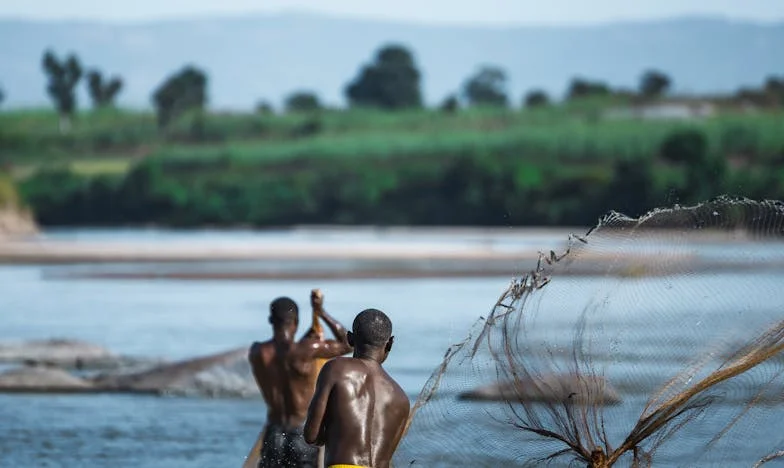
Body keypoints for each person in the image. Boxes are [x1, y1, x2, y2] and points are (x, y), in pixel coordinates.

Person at [249, 290, 352, 468]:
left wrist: (307, 339)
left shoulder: (257, 352)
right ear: (295, 322)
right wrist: (321, 312)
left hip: (273, 433)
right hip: (301, 434)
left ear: (271, 321)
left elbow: (284, 355)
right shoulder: (308, 350)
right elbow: (348, 343)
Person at [304, 309, 410, 468]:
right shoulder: (401, 398)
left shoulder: (336, 369)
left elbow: (311, 435)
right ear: (390, 343)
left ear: (350, 339)